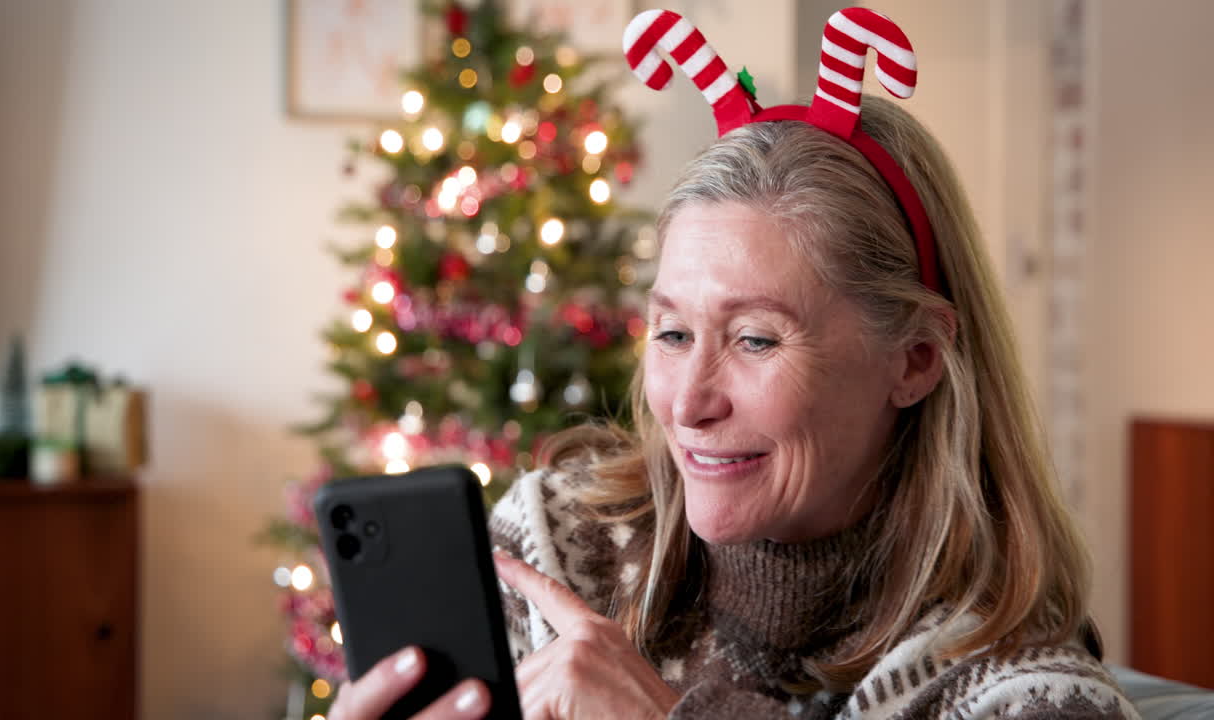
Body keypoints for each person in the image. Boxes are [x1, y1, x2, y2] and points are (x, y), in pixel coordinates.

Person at [327, 8, 1140, 720]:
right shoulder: (554, 550)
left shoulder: (1022, 691)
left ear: (917, 359)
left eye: (755, 339)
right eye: (673, 335)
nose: (687, 403)